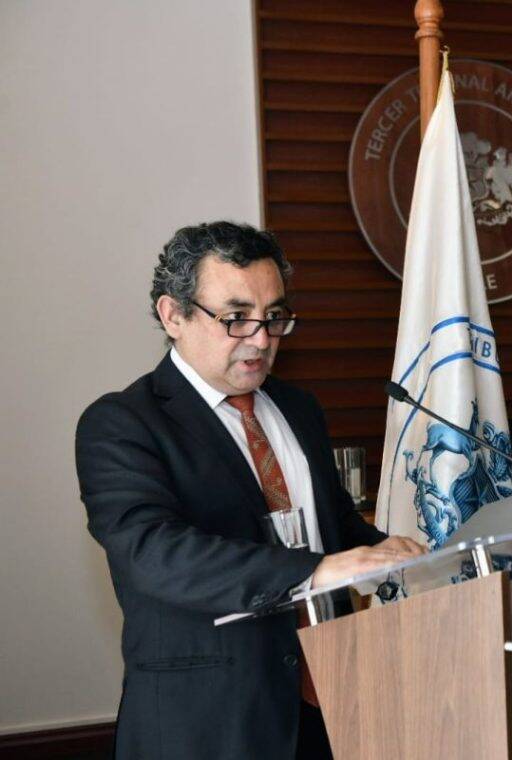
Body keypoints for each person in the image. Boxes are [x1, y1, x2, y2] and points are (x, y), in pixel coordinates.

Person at [75, 221, 425, 759]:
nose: (261, 340)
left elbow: (332, 526)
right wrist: (313, 571)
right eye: (236, 318)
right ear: (173, 315)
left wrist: (395, 554)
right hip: (209, 724)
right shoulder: (122, 423)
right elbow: (152, 553)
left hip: (331, 702)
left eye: (274, 317)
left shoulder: (298, 408)